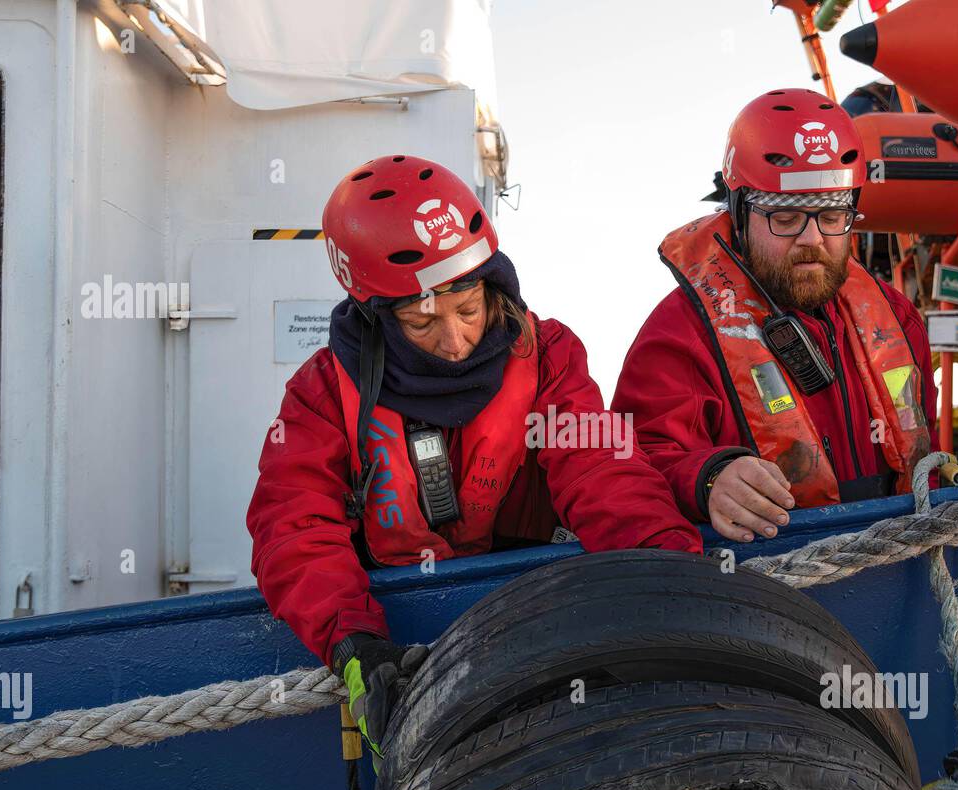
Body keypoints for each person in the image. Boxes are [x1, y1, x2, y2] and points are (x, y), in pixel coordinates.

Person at [247, 155, 702, 759]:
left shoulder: (551, 355)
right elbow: (293, 525)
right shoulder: (322, 393)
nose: (456, 341)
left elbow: (600, 469)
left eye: (469, 308)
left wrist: (674, 572)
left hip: (534, 617)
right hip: (397, 632)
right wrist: (354, 646)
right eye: (421, 321)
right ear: (376, 317)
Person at [613, 89, 937, 545]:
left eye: (831, 215)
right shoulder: (682, 334)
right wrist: (708, 479)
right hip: (771, 584)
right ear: (740, 212)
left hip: (904, 558)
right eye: (786, 218)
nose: (812, 238)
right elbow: (631, 460)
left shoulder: (898, 320)